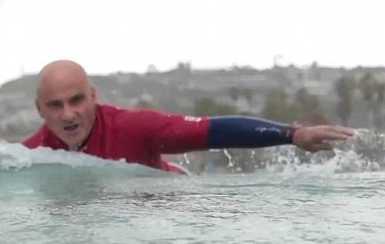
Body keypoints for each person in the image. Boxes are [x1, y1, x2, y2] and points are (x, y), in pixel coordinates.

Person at [22, 60, 353, 174]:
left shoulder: (134, 127)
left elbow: (214, 131)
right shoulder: (30, 155)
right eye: (55, 105)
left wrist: (292, 135)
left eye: (77, 100)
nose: (69, 115)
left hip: (167, 201)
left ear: (94, 96)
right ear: (40, 110)